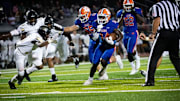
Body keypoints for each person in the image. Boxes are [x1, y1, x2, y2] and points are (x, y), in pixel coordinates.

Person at [64, 6, 123, 73]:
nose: (82, 18)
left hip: (102, 39)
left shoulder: (95, 17)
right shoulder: (79, 21)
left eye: (83, 16)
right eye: (81, 16)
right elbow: (71, 28)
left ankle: (115, 59)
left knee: (103, 59)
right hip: (93, 40)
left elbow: (106, 21)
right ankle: (102, 72)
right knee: (92, 59)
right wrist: (61, 29)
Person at [142, 0, 180, 86]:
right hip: (175, 33)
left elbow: (157, 19)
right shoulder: (174, 6)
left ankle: (150, 81)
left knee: (154, 57)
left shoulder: (157, 6)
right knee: (175, 58)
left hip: (164, 34)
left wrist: (153, 33)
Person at [83, 8, 123, 85]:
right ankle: (90, 79)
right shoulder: (95, 24)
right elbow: (91, 34)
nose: (101, 19)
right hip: (101, 45)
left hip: (110, 46)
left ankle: (104, 69)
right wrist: (94, 33)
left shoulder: (112, 24)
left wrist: (113, 40)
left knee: (104, 61)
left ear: (108, 17)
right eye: (100, 17)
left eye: (103, 17)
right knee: (95, 63)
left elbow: (119, 35)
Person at [116, 0, 145, 75]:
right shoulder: (121, 12)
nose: (128, 7)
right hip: (125, 33)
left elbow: (142, 21)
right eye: (127, 6)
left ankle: (134, 68)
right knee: (128, 51)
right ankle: (136, 58)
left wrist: (135, 14)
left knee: (129, 52)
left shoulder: (136, 11)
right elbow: (119, 25)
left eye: (129, 6)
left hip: (133, 33)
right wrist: (122, 16)